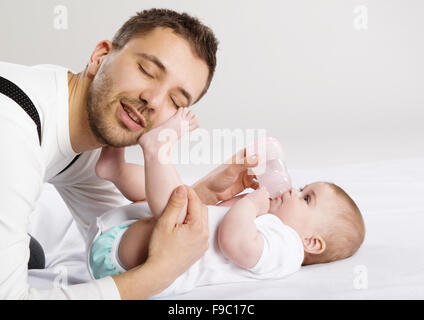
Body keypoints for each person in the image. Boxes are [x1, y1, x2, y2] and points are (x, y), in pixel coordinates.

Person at [0, 9, 259, 299]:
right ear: (99, 57)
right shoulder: (11, 128)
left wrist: (203, 195)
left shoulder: (78, 130)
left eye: (175, 101)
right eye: (147, 70)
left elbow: (116, 238)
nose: (154, 100)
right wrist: (158, 275)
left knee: (29, 255)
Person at [88, 107, 366, 298]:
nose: (294, 190)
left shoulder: (288, 251)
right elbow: (215, 216)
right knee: (179, 196)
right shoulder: (269, 227)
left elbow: (235, 243)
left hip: (137, 263)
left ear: (312, 242)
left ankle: (157, 148)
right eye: (303, 188)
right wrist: (237, 200)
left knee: (180, 208)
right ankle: (116, 171)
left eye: (307, 198)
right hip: (131, 242)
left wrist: (252, 205)